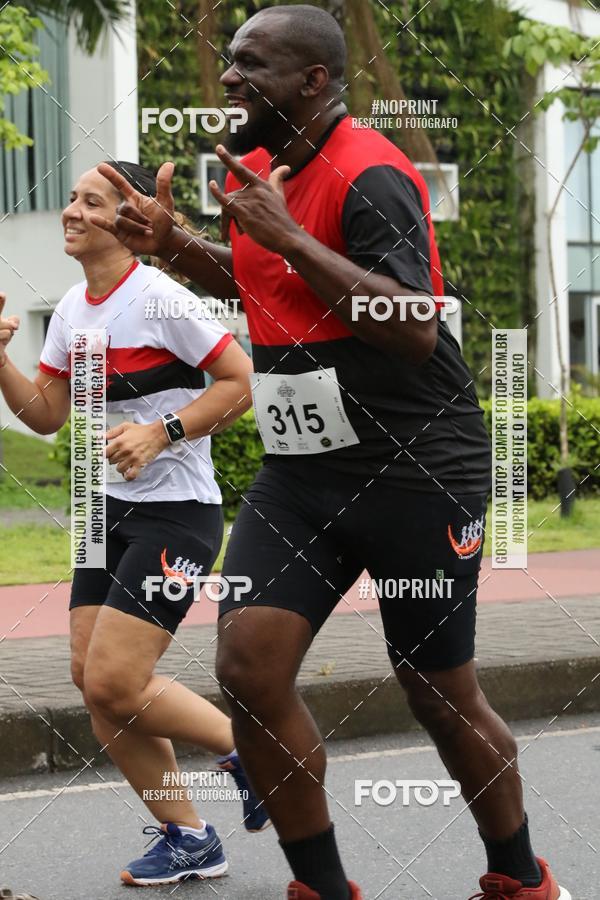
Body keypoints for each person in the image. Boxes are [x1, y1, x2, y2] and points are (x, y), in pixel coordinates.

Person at [92, 6, 571, 900]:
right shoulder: (261, 174)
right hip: (301, 475)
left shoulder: (371, 172)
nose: (230, 78)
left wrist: (289, 235)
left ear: (313, 81)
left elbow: (413, 329)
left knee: (437, 692)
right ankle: (323, 887)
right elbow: (268, 282)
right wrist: (178, 247)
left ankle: (520, 878)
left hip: (416, 471)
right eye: (229, 62)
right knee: (247, 671)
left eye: (252, 65)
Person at [0, 161, 270, 888]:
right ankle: (190, 838)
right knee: (96, 689)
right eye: (70, 199)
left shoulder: (159, 299)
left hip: (175, 514)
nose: (71, 211)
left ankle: (261, 751)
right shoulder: (70, 311)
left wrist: (163, 431)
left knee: (118, 680)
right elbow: (48, 416)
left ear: (126, 220)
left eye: (91, 202)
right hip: (103, 511)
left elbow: (242, 381)